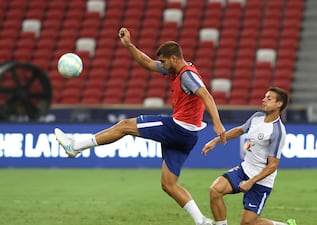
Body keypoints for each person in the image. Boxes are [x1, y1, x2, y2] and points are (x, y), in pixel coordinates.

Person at [54, 27, 226, 225]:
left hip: (178, 128)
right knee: (168, 185)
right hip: (188, 135)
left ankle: (75, 147)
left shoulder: (187, 75)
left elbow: (206, 95)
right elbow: (147, 63)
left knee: (125, 125)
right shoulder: (175, 69)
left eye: (163, 61)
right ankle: (202, 222)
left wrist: (218, 124)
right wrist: (128, 45)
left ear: (174, 58)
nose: (161, 64)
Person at [201, 87, 296, 225]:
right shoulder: (257, 117)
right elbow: (240, 130)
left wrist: (251, 182)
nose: (264, 100)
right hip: (244, 170)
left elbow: (273, 165)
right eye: (264, 97)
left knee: (247, 223)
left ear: (278, 104)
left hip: (261, 182)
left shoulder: (278, 132)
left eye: (269, 98)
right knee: (215, 190)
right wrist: (216, 140)